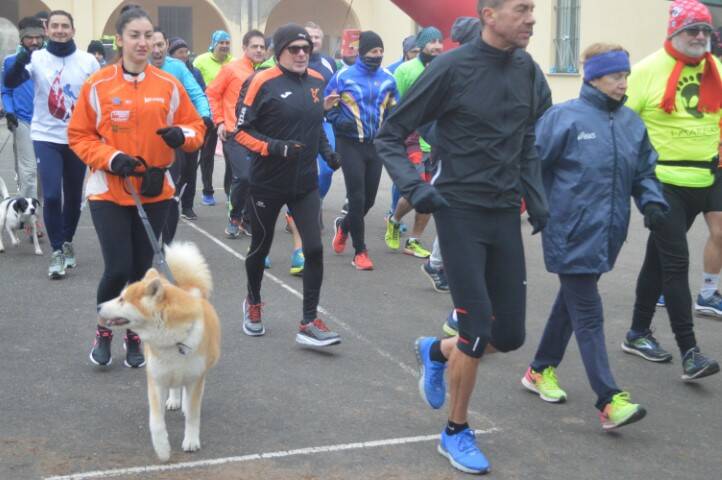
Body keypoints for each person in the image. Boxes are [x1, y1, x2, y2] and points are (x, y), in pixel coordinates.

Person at [375, 0, 549, 473]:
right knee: (476, 329)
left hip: (502, 212)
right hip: (458, 212)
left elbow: (529, 137)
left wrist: (538, 199)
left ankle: (435, 350)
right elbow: (390, 133)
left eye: (533, 9)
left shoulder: (528, 69)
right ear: (490, 15)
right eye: (522, 9)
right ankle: (455, 431)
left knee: (509, 335)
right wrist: (415, 188)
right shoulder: (452, 67)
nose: (532, 19)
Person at [523, 43, 669, 431]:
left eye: (626, 76)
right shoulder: (563, 118)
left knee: (570, 302)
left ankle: (539, 369)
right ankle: (608, 398)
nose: (623, 83)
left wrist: (652, 202)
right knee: (588, 311)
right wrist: (531, 208)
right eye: (615, 76)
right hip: (568, 231)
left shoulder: (631, 124)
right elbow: (533, 166)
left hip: (608, 234)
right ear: (593, 77)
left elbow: (644, 172)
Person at [68, 7, 205, 368]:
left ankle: (133, 332)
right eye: (135, 35)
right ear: (120, 39)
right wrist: (112, 158)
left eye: (148, 36)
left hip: (155, 189)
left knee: (144, 269)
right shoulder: (98, 84)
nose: (143, 43)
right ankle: (104, 330)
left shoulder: (169, 84)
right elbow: (79, 135)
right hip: (108, 190)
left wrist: (182, 135)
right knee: (117, 267)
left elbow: (195, 129)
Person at [621, 0, 721, 381]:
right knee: (675, 263)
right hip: (662, 182)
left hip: (710, 174)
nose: (700, 36)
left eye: (705, 30)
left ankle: (636, 332)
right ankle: (690, 352)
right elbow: (624, 126)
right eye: (692, 29)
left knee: (657, 261)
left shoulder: (717, 70)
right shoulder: (647, 71)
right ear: (673, 32)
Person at [233, 23, 341, 345]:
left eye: (306, 48)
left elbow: (315, 124)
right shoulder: (260, 81)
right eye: (294, 48)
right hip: (268, 183)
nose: (301, 54)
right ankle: (253, 303)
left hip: (305, 183)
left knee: (314, 249)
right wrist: (274, 147)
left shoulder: (318, 81)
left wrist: (328, 153)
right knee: (260, 248)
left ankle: (308, 321)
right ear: (279, 51)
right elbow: (240, 131)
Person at [4, 10, 100, 279]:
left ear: (72, 30)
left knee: (73, 196)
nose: (59, 30)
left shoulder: (88, 62)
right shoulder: (36, 58)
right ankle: (57, 250)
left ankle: (66, 242)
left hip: (78, 137)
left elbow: (99, 98)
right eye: (55, 26)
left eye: (64, 26)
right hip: (46, 136)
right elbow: (9, 81)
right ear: (47, 30)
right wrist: (21, 58)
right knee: (52, 195)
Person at [327, 31, 398, 270]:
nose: (377, 56)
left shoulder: (389, 78)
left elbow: (394, 111)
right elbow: (327, 106)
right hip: (350, 144)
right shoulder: (342, 76)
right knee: (356, 198)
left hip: (375, 145)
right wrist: (338, 119)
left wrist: (389, 131)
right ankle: (360, 251)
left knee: (368, 201)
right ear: (361, 51)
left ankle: (344, 226)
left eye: (380, 51)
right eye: (373, 51)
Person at [385, 27, 444, 260]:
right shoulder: (406, 70)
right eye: (432, 41)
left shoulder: (446, 67)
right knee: (418, 189)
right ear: (422, 44)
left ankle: (414, 240)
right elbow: (394, 107)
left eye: (440, 41)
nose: (437, 45)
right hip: (413, 140)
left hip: (438, 140)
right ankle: (395, 218)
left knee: (431, 192)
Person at [149, 28, 210, 235]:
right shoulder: (137, 68)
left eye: (160, 45)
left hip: (177, 134)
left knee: (176, 183)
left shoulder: (177, 67)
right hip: (148, 139)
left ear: (166, 44)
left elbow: (197, 94)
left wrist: (205, 116)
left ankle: (169, 237)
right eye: (152, 45)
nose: (156, 50)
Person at [206, 29, 266, 239]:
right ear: (244, 48)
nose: (259, 50)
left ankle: (248, 220)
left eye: (262, 47)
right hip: (233, 132)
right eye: (254, 46)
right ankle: (235, 217)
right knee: (244, 176)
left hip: (259, 136)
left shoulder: (268, 72)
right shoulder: (231, 69)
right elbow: (212, 94)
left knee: (257, 179)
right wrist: (219, 121)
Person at [1, 16, 44, 217]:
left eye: (38, 37)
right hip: (23, 121)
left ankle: (30, 208)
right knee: (28, 173)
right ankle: (29, 219)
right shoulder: (10, 62)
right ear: (21, 38)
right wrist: (9, 111)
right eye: (29, 38)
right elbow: (6, 90)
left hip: (47, 123)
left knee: (43, 174)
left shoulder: (48, 61)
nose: (34, 42)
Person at [194, 30, 233, 206]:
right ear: (214, 44)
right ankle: (208, 191)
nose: (224, 46)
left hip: (229, 115)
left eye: (227, 43)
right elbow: (195, 86)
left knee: (230, 155)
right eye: (221, 43)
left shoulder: (233, 63)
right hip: (208, 116)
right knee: (207, 154)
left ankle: (230, 190)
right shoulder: (201, 61)